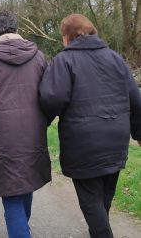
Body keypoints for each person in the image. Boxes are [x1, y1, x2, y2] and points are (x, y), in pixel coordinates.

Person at [39, 13, 141, 238]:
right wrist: (139, 132)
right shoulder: (116, 59)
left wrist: (40, 124)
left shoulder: (63, 61)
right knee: (103, 197)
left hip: (83, 142)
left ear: (67, 36)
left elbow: (51, 98)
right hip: (116, 138)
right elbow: (135, 98)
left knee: (91, 201)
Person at [0, 11, 51, 238]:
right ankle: (22, 227)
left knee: (11, 190)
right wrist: (42, 123)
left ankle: (21, 231)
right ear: (16, 28)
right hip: (32, 133)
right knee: (25, 181)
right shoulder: (39, 57)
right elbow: (50, 96)